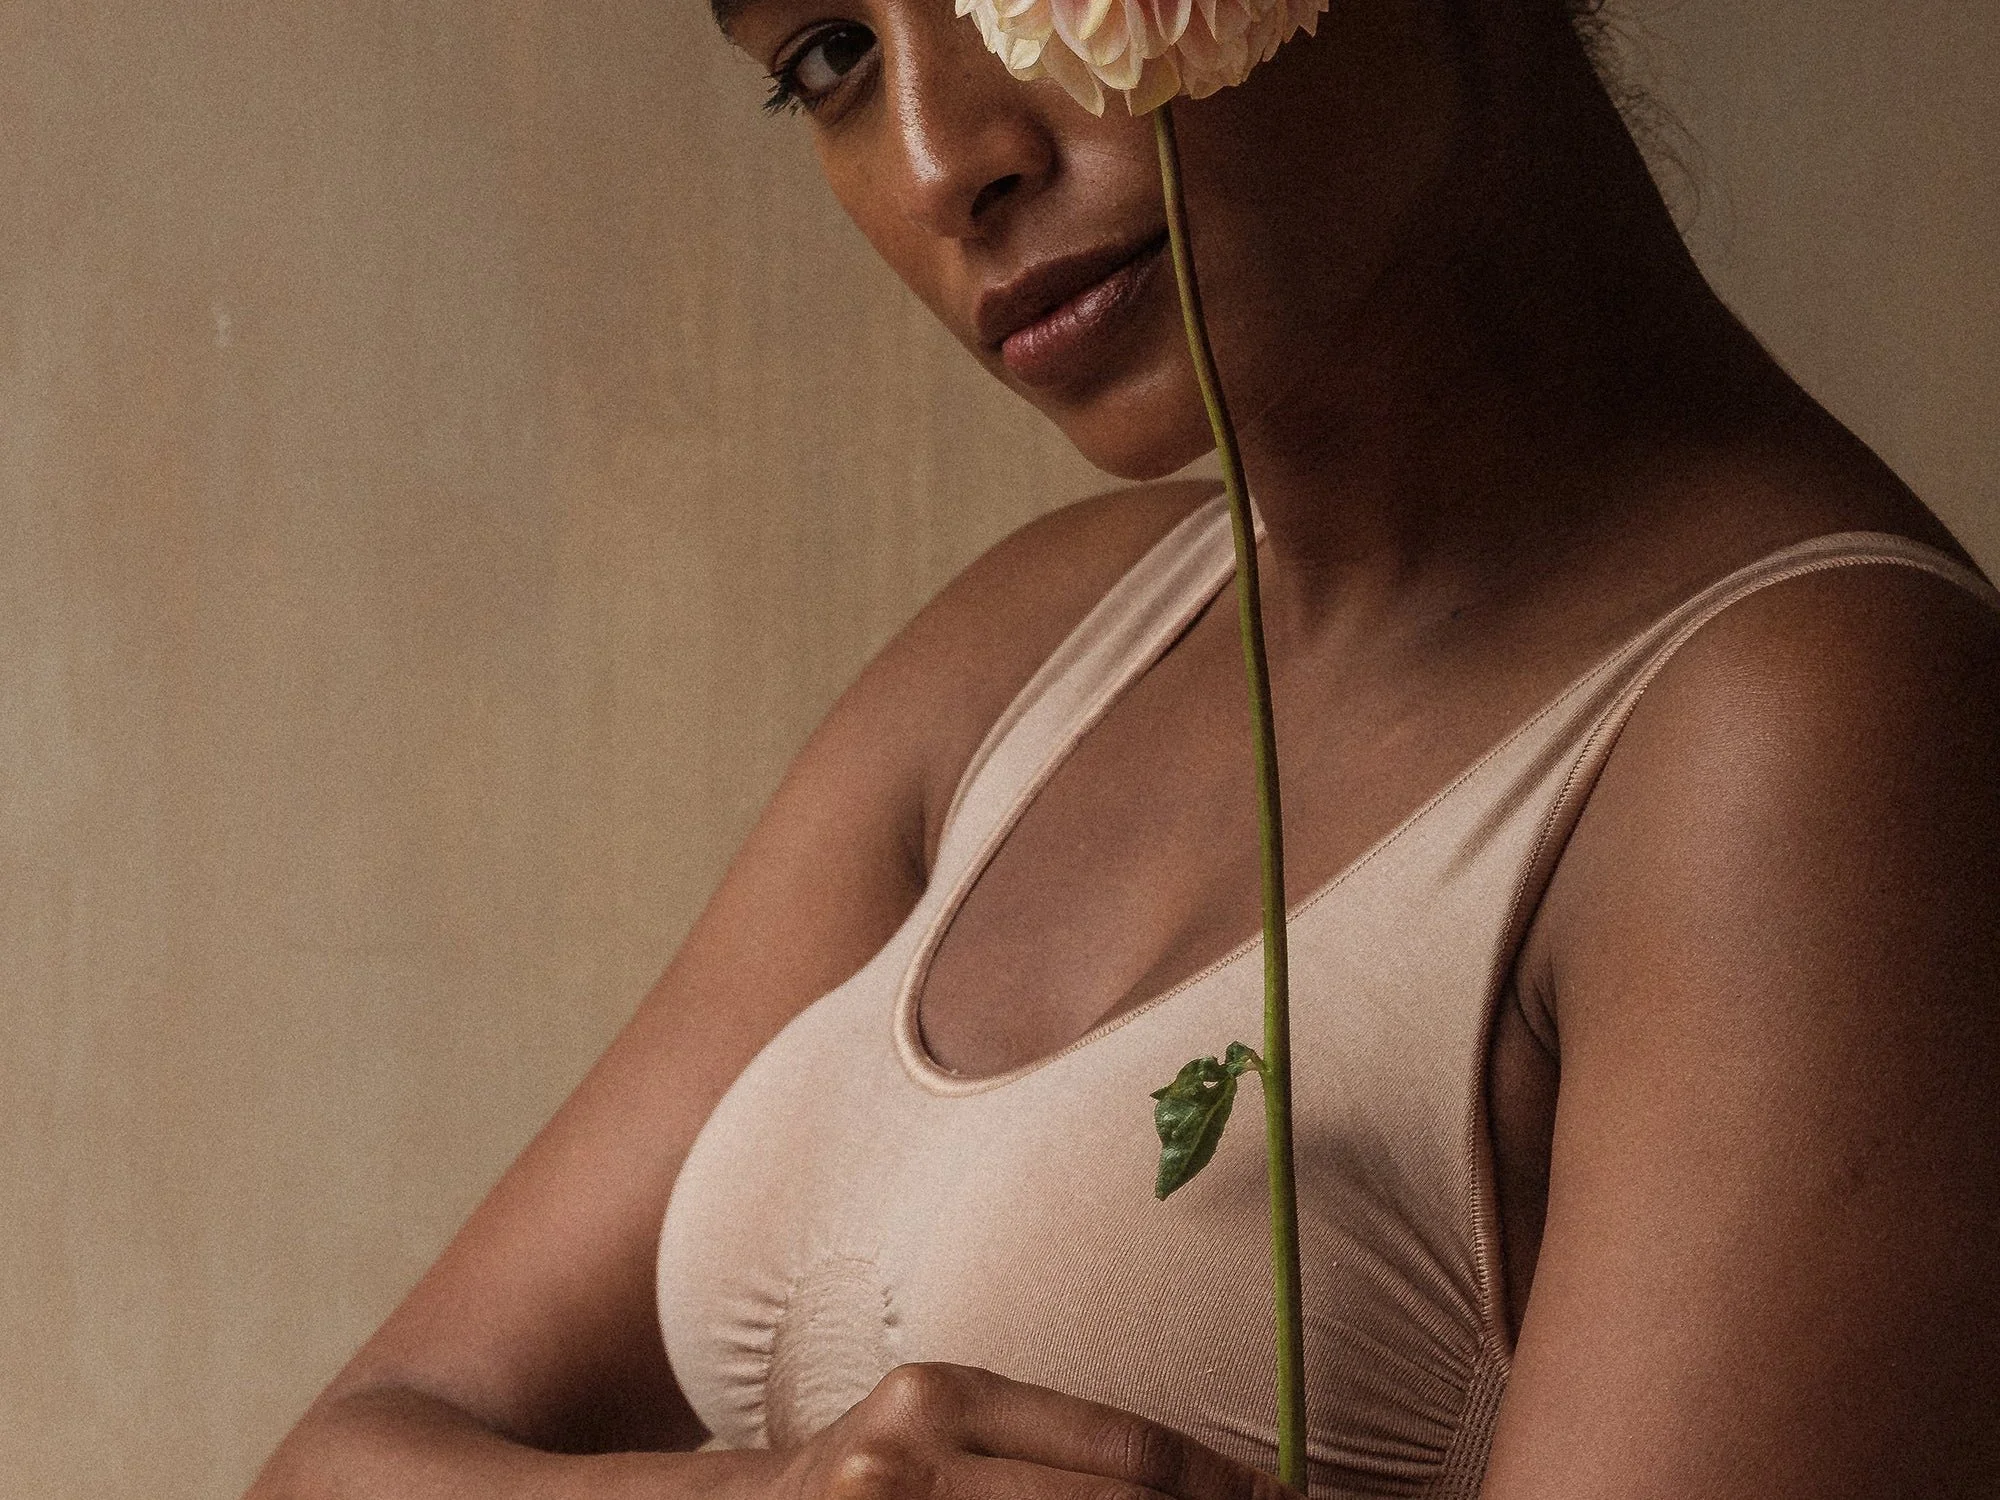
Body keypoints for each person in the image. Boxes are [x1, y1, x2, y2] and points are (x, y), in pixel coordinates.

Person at [247, 0, 2000, 1495]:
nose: (945, 162)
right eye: (831, 57)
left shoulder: (1813, 737)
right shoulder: (1035, 648)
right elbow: (345, 1459)